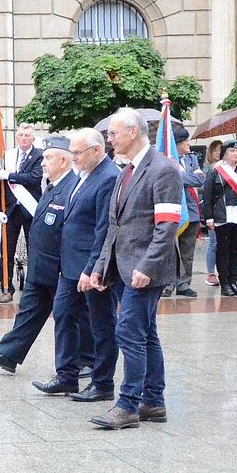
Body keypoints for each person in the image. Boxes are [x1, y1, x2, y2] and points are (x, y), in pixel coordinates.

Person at [89, 108, 183, 430]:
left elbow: (167, 226)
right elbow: (114, 227)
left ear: (132, 132)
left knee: (128, 331)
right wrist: (102, 265)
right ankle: (154, 402)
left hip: (146, 270)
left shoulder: (163, 169)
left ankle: (128, 405)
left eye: (113, 133)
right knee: (146, 333)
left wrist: (148, 265)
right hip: (124, 267)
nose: (109, 139)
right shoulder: (125, 170)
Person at [0, 136, 78, 375]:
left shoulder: (71, 186)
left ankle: (84, 362)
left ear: (63, 160)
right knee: (28, 310)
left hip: (59, 267)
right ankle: (8, 354)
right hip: (41, 266)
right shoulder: (52, 184)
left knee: (72, 317)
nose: (43, 163)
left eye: (48, 158)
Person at [35, 128, 120, 402]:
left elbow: (104, 229)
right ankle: (66, 377)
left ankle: (102, 383)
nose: (73, 158)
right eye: (71, 153)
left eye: (77, 153)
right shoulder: (84, 175)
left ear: (97, 150)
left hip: (92, 268)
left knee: (101, 324)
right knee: (63, 315)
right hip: (69, 266)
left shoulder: (108, 177)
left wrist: (92, 268)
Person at [203, 140, 237, 297]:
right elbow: (208, 196)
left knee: (236, 251)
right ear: (225, 153)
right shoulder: (215, 170)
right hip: (221, 216)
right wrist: (208, 218)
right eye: (232, 151)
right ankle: (225, 283)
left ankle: (233, 281)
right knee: (223, 250)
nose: (235, 154)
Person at [0, 123, 43, 303]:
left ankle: (34, 288)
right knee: (6, 250)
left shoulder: (39, 156)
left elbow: (34, 178)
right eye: (21, 135)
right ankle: (7, 288)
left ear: (33, 138)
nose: (24, 138)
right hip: (10, 209)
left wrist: (10, 176)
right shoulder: (7, 156)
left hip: (30, 209)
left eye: (27, 136)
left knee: (35, 250)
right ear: (16, 137)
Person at [162, 127, 203, 298]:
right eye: (185, 141)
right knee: (168, 250)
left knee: (187, 250)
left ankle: (184, 283)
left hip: (191, 210)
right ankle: (167, 283)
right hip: (171, 210)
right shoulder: (165, 159)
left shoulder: (192, 159)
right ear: (176, 144)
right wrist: (182, 176)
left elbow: (200, 179)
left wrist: (177, 174)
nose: (188, 144)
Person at [203, 140, 223, 286]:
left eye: (221, 150)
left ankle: (229, 272)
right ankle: (211, 273)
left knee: (230, 244)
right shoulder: (209, 169)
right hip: (214, 210)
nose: (218, 153)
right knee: (214, 242)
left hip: (228, 211)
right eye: (215, 150)